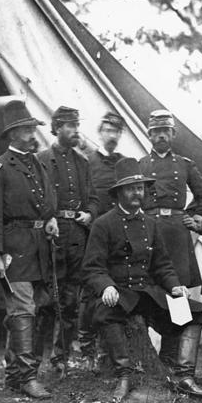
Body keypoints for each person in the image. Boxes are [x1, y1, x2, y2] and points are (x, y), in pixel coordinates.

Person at [82, 158, 202, 401]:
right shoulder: (103, 224)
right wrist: (106, 286)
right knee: (107, 313)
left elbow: (162, 265)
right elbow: (92, 268)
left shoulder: (151, 224)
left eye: (140, 187)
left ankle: (184, 375)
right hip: (118, 293)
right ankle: (124, 377)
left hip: (147, 295)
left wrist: (175, 286)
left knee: (193, 313)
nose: (137, 192)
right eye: (130, 188)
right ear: (119, 192)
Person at [0, 100, 59, 399]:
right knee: (22, 310)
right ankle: (27, 377)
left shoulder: (38, 162)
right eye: (25, 130)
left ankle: (14, 373)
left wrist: (50, 218)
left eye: (32, 129)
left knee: (32, 309)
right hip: (14, 248)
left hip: (39, 247)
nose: (31, 134)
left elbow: (47, 200)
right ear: (12, 135)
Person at [138, 109, 202, 365]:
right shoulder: (141, 165)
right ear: (149, 135)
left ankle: (172, 357)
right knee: (147, 290)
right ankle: (145, 358)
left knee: (178, 293)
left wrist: (194, 217)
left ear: (173, 134)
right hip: (148, 232)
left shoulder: (185, 164)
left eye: (165, 131)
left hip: (177, 236)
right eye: (155, 132)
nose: (160, 136)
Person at [37, 106, 99, 374]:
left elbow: (94, 199)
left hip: (77, 235)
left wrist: (89, 213)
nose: (75, 131)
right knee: (48, 299)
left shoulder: (83, 162)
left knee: (71, 300)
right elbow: (36, 198)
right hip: (51, 235)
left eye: (77, 125)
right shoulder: (41, 159)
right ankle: (40, 358)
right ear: (57, 128)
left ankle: (61, 358)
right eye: (70, 126)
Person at [81, 111, 127, 370]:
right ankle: (90, 348)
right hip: (93, 238)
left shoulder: (123, 163)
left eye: (116, 131)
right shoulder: (88, 161)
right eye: (108, 130)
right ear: (99, 132)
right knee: (91, 293)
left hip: (118, 239)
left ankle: (112, 352)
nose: (112, 135)